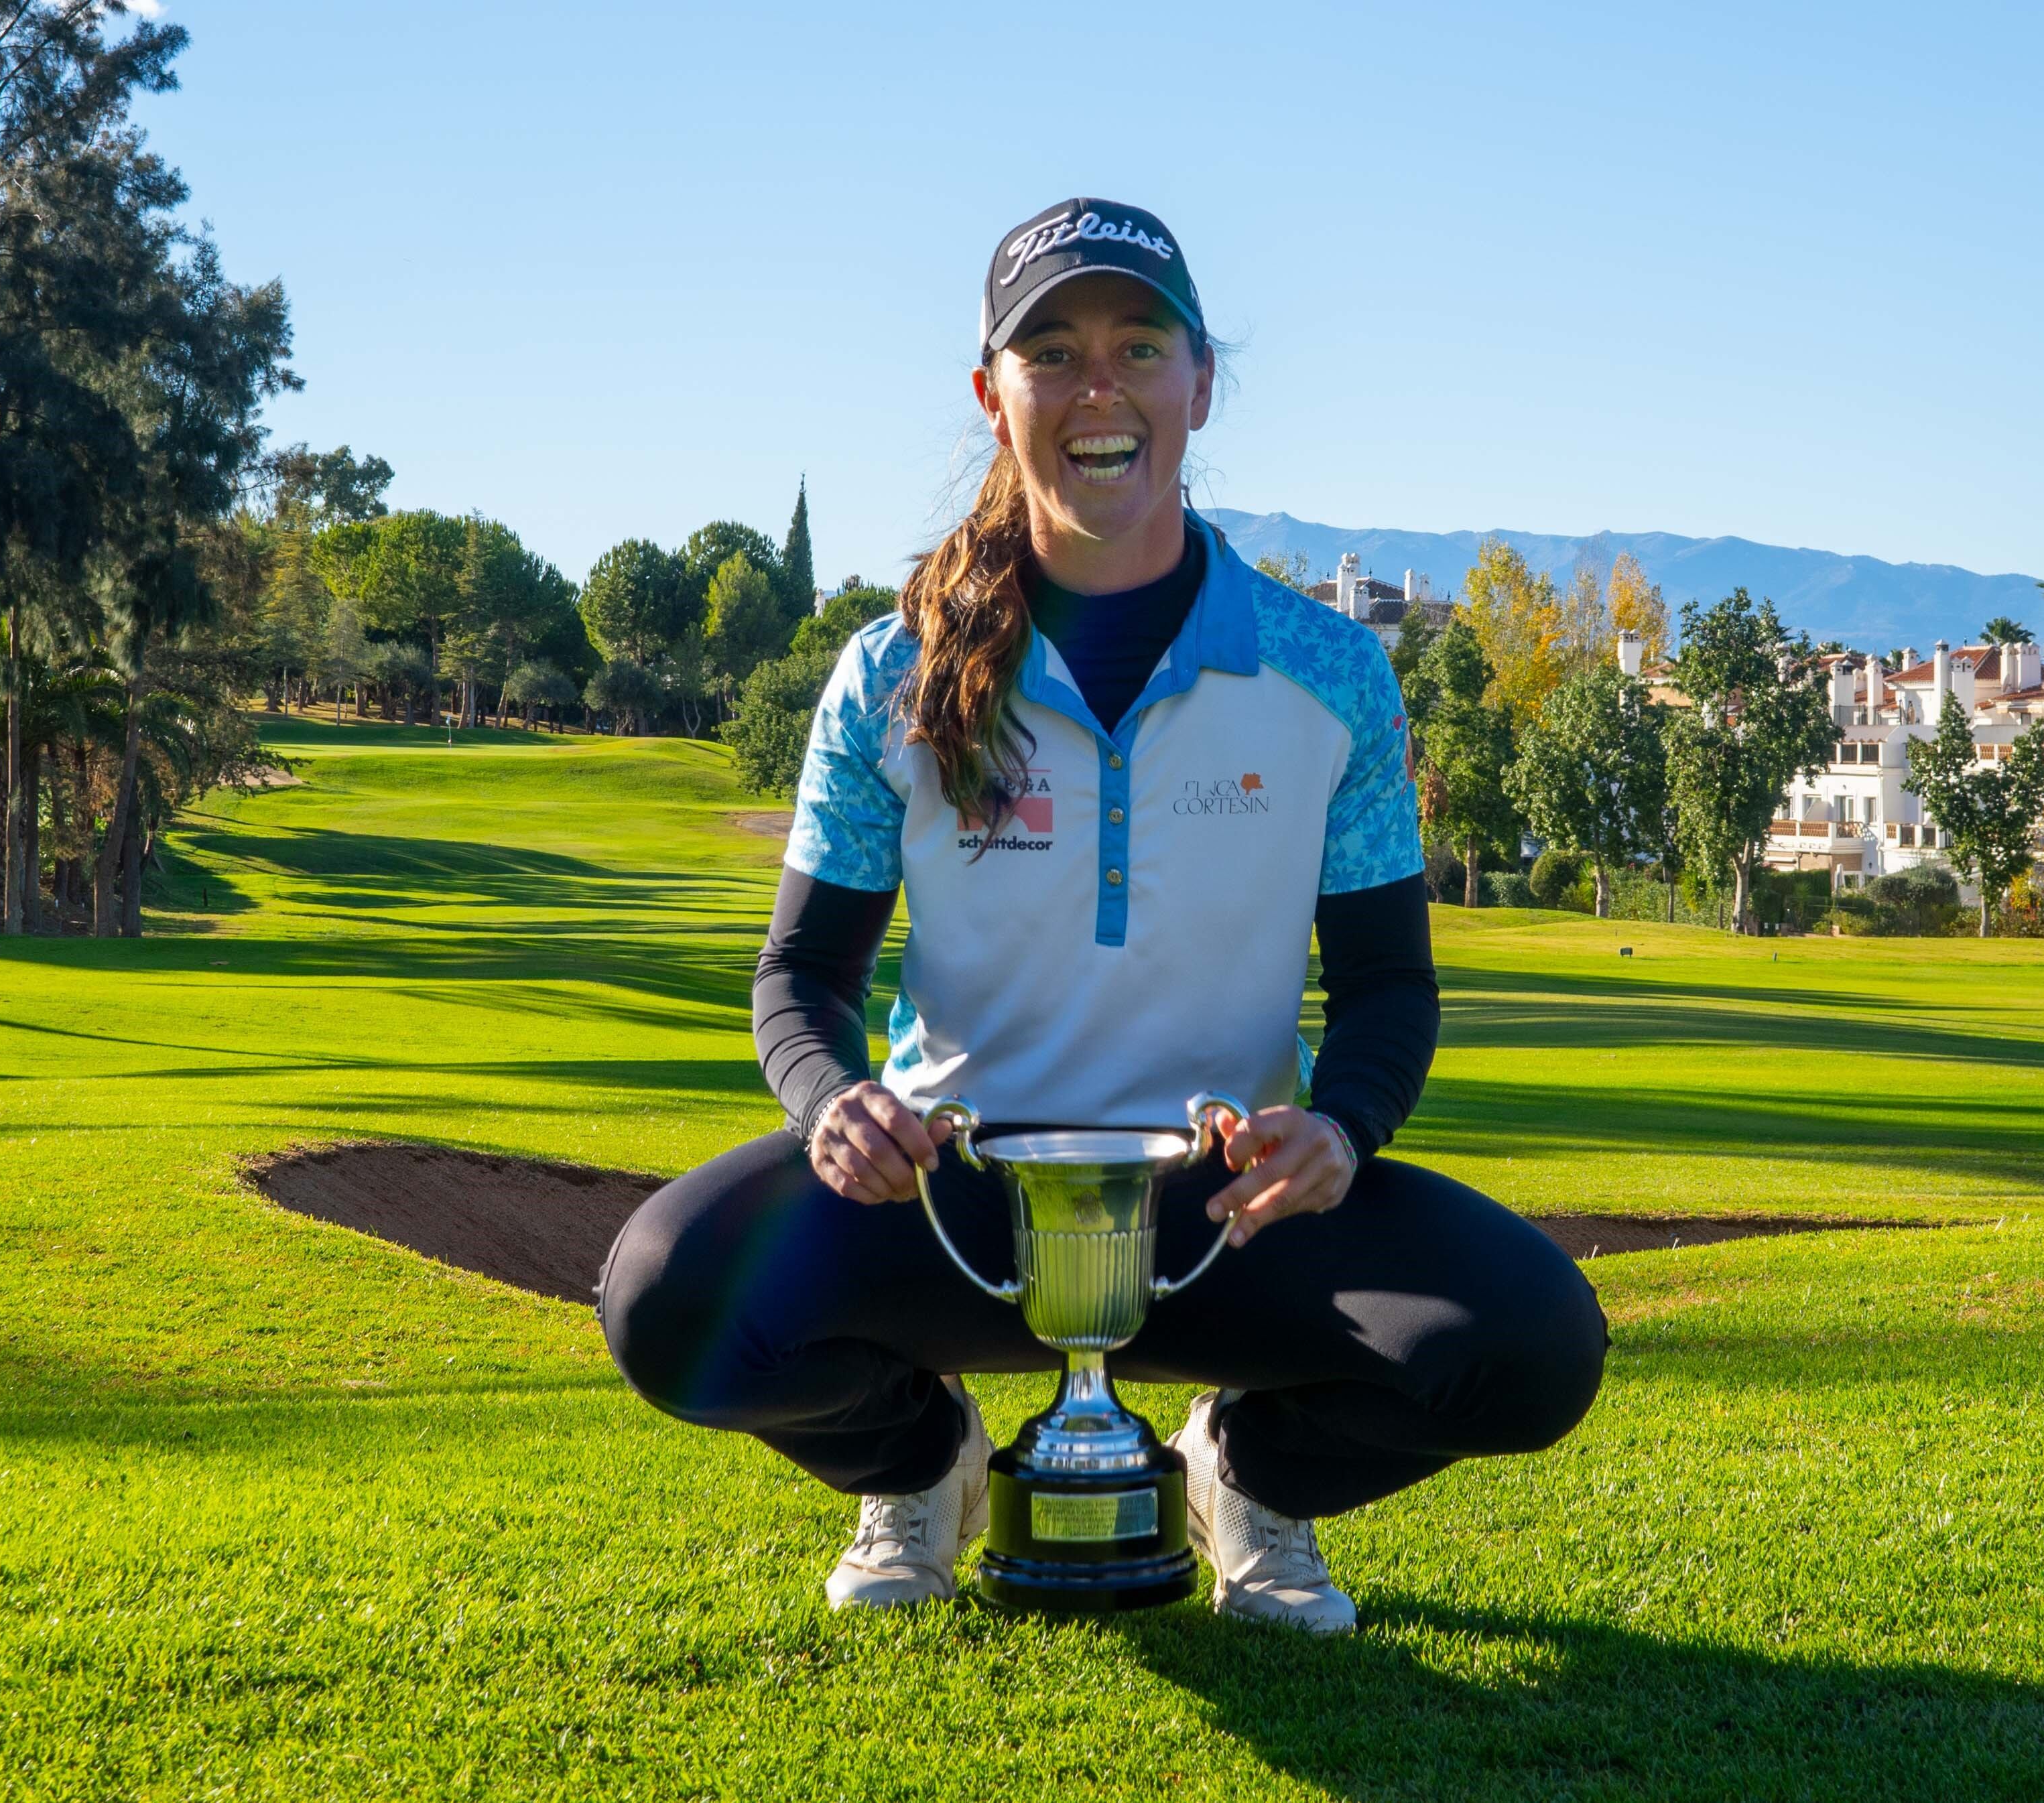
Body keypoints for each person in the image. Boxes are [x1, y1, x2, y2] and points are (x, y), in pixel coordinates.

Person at [598, 199, 1605, 1634]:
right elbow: (801, 972)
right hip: (946, 1199)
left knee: (1531, 1343)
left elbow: (1387, 985)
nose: (1099, 390)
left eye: (1140, 346)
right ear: (991, 394)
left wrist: (1342, 1130)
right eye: (1053, 351)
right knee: (667, 1293)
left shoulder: (1330, 677)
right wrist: (834, 1103)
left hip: (1229, 1207)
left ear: (1200, 384)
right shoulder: (889, 672)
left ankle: (1243, 1471)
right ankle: (927, 1462)